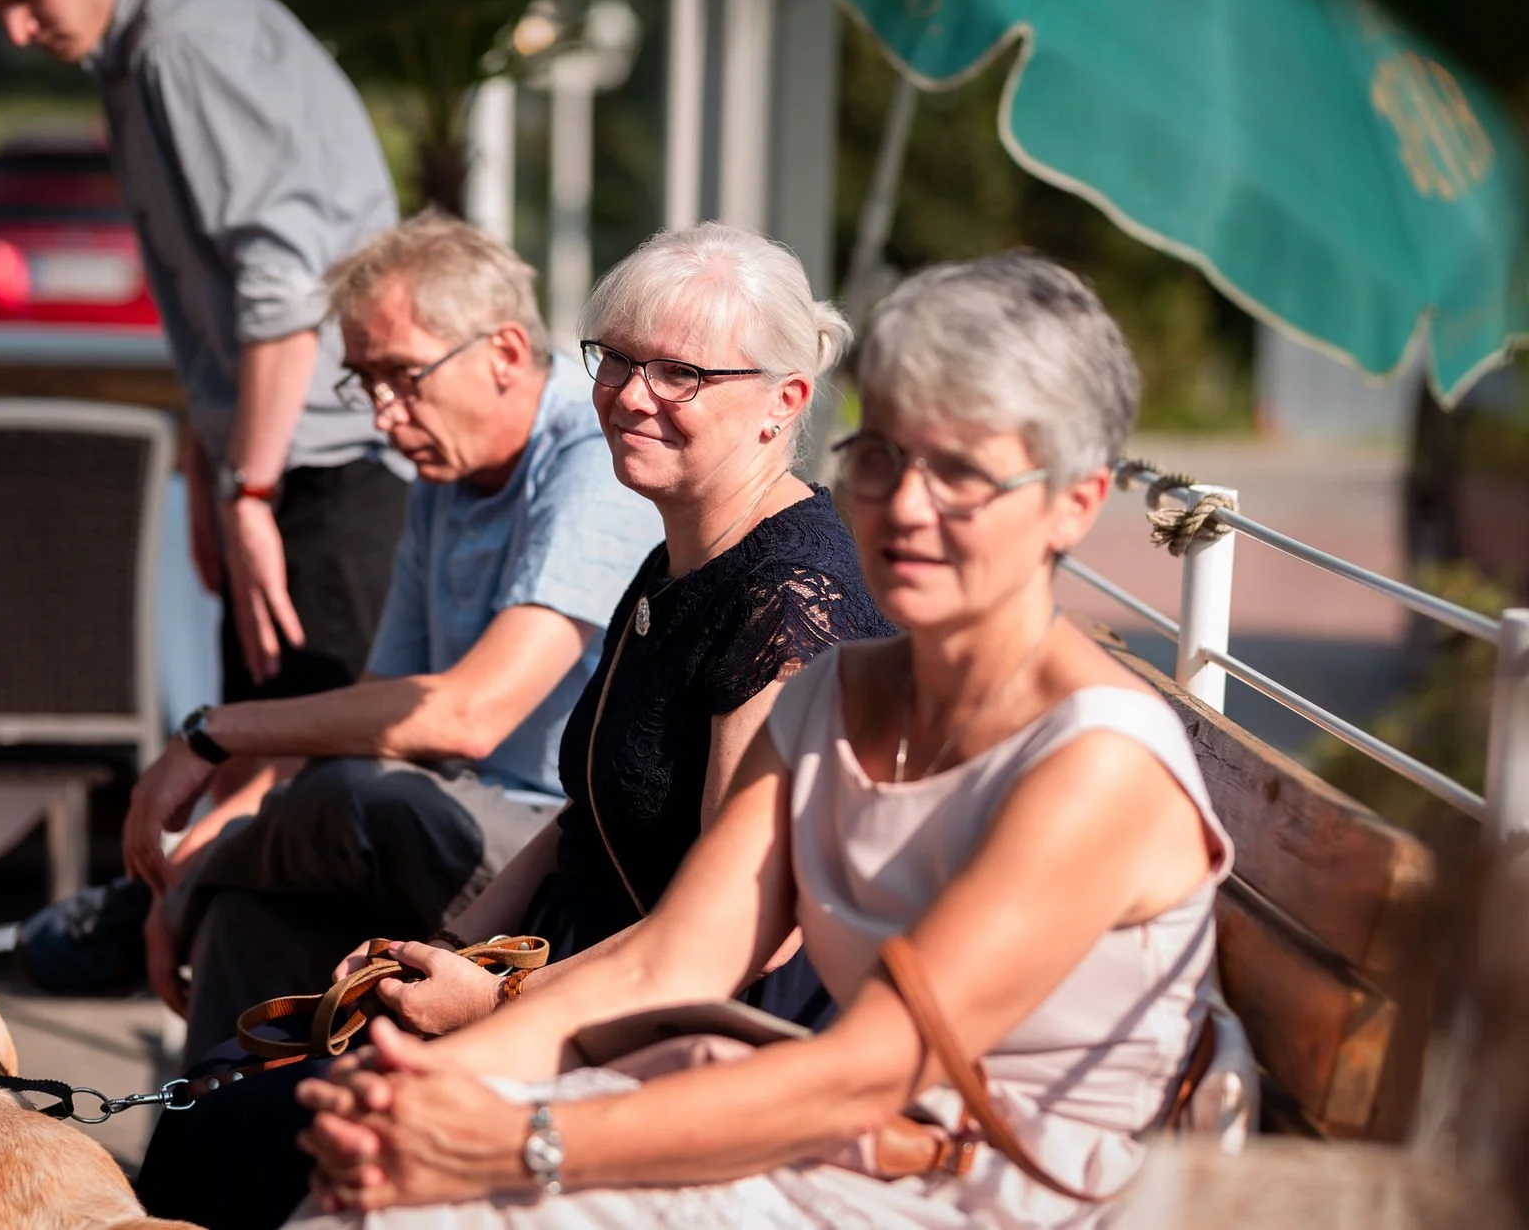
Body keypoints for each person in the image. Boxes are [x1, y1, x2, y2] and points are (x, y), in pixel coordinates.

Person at [291, 251, 1234, 1230]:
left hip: (969, 1191)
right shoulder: (834, 691)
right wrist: (418, 1087)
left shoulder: (1095, 760)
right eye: (883, 458)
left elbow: (865, 1067)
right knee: (361, 1185)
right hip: (832, 1141)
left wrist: (520, 1138)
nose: (907, 507)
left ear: (1073, 504)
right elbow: (670, 964)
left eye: (961, 475)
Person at [133, 222, 895, 1229]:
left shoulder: (789, 601)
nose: (630, 395)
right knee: (223, 1095)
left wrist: (489, 1009)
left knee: (248, 1134)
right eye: (617, 360)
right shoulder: (677, 556)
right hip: (568, 980)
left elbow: (732, 947)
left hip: (673, 1046)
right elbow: (580, 815)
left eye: (680, 374)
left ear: (782, 403)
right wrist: (440, 950)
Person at [121, 212, 663, 1055]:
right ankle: (214, 1162)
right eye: (366, 382)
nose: (382, 416)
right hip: (451, 829)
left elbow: (465, 716)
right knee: (245, 907)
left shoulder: (594, 458)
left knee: (367, 801)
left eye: (403, 377)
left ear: (507, 353)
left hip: (564, 857)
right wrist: (199, 861)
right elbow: (377, 718)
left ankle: (113, 919)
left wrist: (216, 735)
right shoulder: (444, 471)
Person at [0, 0, 408, 763]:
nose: (16, 31)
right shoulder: (141, 46)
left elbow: (284, 284)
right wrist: (215, 456)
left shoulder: (183, 43)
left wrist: (250, 488)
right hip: (286, 460)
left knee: (319, 796)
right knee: (267, 786)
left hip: (328, 467)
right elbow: (218, 299)